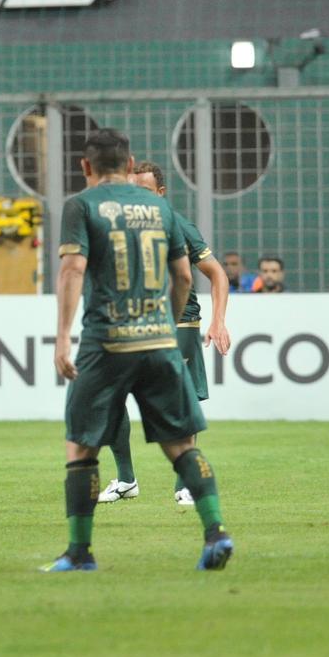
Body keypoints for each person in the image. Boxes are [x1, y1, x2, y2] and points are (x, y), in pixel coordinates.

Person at [47, 129, 233, 572]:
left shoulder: (81, 205)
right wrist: (165, 325)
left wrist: (61, 335)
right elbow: (185, 277)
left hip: (107, 340)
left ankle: (80, 552)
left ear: (86, 166)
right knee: (181, 445)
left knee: (81, 446)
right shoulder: (160, 208)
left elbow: (73, 270)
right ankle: (215, 532)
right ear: (130, 166)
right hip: (159, 339)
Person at [97, 161, 232, 506]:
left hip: (178, 325)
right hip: (131, 325)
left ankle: (185, 483)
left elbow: (216, 274)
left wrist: (219, 321)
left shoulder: (178, 226)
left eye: (142, 191)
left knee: (179, 405)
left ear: (160, 193)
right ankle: (126, 479)